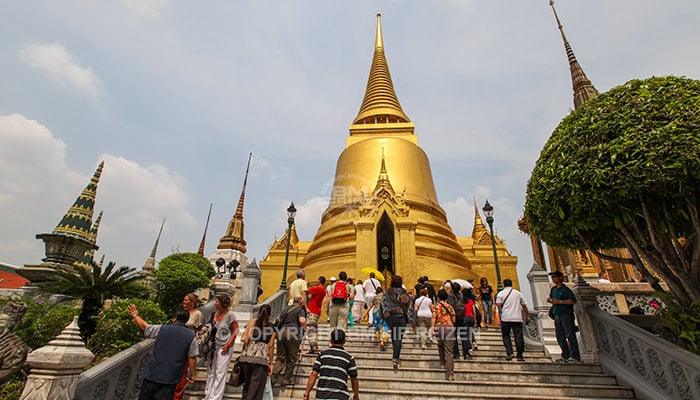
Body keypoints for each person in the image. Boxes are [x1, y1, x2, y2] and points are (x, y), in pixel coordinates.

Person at [128, 304, 198, 400]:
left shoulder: (162, 329)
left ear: (174, 319)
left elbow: (145, 327)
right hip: (170, 378)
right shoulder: (191, 336)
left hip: (152, 374)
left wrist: (135, 315)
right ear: (186, 321)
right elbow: (192, 357)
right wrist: (192, 375)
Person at [303, 328, 359, 400]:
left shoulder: (322, 355)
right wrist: (356, 395)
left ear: (331, 340)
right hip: (340, 396)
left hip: (321, 396)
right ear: (345, 341)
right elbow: (354, 379)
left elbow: (314, 374)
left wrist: (307, 393)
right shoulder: (349, 358)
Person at [203, 294, 239, 400]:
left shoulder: (230, 315)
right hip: (213, 346)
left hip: (224, 346)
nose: (215, 303)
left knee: (220, 371)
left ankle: (216, 397)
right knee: (211, 371)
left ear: (222, 303)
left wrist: (228, 344)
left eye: (217, 301)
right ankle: (208, 394)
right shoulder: (213, 314)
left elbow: (236, 330)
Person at [239, 304, 276, 400]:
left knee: (246, 386)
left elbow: (245, 339)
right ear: (270, 314)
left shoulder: (252, 322)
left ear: (259, 312)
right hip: (260, 359)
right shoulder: (272, 327)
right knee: (256, 389)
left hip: (246, 357)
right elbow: (271, 345)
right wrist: (271, 363)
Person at [272, 295, 307, 386]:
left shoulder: (285, 309)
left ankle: (273, 377)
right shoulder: (300, 310)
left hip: (281, 332)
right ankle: (286, 379)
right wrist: (306, 328)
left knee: (280, 357)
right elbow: (302, 321)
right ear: (301, 302)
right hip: (292, 333)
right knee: (292, 357)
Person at [174, 293, 204, 399]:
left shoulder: (197, 314)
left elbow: (199, 328)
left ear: (192, 302)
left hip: (188, 342)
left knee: (183, 369)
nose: (184, 302)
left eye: (186, 300)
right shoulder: (181, 313)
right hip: (177, 342)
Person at [547, 271, 581, 363]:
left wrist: (560, 302)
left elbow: (572, 301)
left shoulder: (565, 290)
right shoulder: (553, 290)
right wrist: (551, 301)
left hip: (566, 314)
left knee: (570, 335)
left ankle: (575, 356)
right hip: (557, 315)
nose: (553, 279)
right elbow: (551, 299)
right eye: (552, 277)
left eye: (555, 277)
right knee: (560, 336)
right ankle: (565, 355)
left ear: (561, 278)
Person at [495, 279, 530, 361]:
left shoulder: (501, 293)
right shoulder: (518, 293)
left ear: (503, 284)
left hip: (506, 318)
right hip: (517, 318)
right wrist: (527, 316)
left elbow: (498, 305)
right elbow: (524, 306)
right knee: (518, 337)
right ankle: (520, 355)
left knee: (506, 336)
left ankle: (510, 352)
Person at [382, 275, 408, 369]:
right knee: (398, 338)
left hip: (391, 317)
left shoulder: (387, 292)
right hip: (401, 317)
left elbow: (383, 304)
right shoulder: (404, 292)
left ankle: (395, 355)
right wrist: (409, 318)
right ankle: (395, 359)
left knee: (394, 336)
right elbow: (408, 306)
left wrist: (385, 316)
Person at [432, 289, 456, 381]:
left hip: (439, 327)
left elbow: (434, 317)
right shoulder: (450, 306)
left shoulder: (436, 306)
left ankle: (442, 364)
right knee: (449, 352)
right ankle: (450, 374)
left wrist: (432, 328)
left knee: (440, 345)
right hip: (449, 327)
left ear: (438, 297)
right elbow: (454, 317)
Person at [307, 276, 327, 354]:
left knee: (311, 330)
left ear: (319, 280)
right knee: (313, 329)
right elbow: (314, 290)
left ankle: (314, 348)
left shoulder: (318, 289)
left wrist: (305, 285)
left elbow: (307, 291)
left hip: (313, 310)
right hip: (317, 311)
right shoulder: (323, 290)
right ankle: (314, 347)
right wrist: (311, 285)